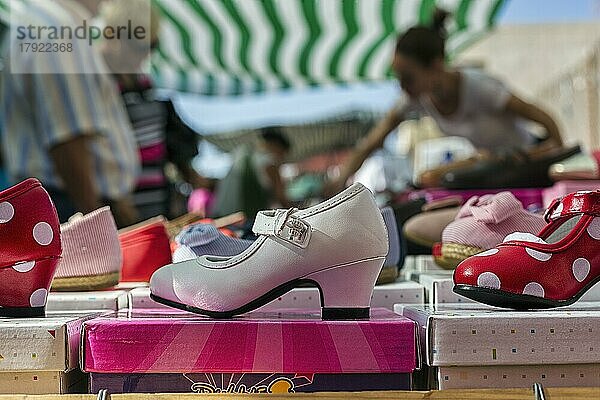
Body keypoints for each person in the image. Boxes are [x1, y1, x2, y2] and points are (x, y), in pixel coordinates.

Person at [329, 10, 564, 194]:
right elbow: (371, 143)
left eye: (407, 77)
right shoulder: (415, 98)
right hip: (491, 171)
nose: (401, 86)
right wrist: (340, 181)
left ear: (436, 65)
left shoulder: (481, 88)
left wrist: (555, 157)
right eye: (398, 78)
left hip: (527, 164)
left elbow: (544, 118)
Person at [0, 0, 140, 226]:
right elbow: (66, 138)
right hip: (69, 207)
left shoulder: (48, 23)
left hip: (65, 204)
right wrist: (94, 216)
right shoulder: (55, 27)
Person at [100, 0, 211, 220]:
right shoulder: (96, 81)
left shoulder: (143, 83)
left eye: (152, 46)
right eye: (140, 46)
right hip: (117, 213)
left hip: (157, 207)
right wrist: (121, 206)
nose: (146, 55)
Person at [211, 127, 291, 220]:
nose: (282, 159)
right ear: (277, 147)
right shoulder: (269, 162)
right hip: (245, 220)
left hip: (223, 216)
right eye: (282, 154)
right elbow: (281, 198)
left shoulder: (242, 155)